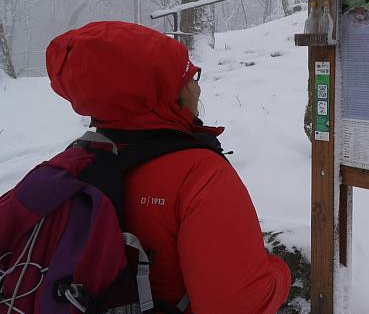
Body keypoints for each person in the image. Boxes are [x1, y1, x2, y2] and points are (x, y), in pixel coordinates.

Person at [45, 21, 291, 313]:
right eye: (190, 76)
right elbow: (239, 305)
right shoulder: (199, 174)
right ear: (165, 91)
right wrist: (278, 271)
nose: (197, 88)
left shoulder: (75, 162)